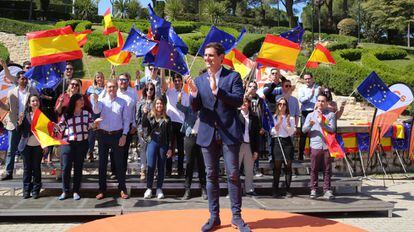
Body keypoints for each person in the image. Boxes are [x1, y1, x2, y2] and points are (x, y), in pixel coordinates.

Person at [185, 42, 250, 232]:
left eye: (211, 55)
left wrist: (217, 91)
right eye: (205, 56)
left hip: (229, 133)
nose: (207, 59)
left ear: (221, 57)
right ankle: (214, 217)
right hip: (207, 133)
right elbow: (195, 108)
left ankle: (237, 217)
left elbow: (238, 100)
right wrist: (194, 93)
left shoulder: (233, 76)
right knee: (211, 176)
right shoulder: (199, 79)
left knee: (233, 175)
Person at [92, 79, 131, 200]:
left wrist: (124, 135)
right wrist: (95, 101)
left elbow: (126, 120)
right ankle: (102, 190)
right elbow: (96, 110)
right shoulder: (102, 102)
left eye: (113, 87)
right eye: (109, 87)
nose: (111, 89)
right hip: (103, 135)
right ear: (106, 88)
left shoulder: (123, 102)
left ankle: (122, 189)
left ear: (116, 88)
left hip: (117, 135)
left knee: (119, 164)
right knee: (102, 164)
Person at [0, 69, 38, 181]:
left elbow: (37, 105)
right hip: (14, 123)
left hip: (27, 123)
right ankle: (8, 172)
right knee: (11, 149)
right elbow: (7, 108)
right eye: (22, 78)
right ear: (18, 79)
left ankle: (28, 172)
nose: (24, 80)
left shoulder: (31, 91)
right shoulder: (11, 92)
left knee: (26, 149)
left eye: (26, 78)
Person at [58, 94, 94, 201]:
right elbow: (61, 127)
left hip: (82, 143)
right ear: (74, 101)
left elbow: (90, 126)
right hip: (68, 143)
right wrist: (57, 126)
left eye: (83, 100)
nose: (82, 102)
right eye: (80, 100)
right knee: (66, 167)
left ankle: (76, 191)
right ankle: (65, 191)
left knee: (78, 167)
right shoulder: (67, 114)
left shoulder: (87, 114)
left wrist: (95, 125)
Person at [302, 93, 336, 200]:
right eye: (319, 101)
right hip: (315, 145)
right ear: (316, 102)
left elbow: (332, 129)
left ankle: (326, 189)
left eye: (323, 101)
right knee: (314, 168)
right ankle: (314, 189)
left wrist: (322, 124)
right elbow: (303, 130)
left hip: (327, 146)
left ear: (326, 103)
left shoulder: (331, 115)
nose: (320, 103)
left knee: (327, 169)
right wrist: (310, 125)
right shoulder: (310, 115)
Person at [176, 92, 207, 200]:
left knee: (201, 164)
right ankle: (187, 190)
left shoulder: (204, 111)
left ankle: (204, 189)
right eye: (193, 100)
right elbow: (178, 106)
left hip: (201, 139)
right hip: (190, 137)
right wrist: (179, 98)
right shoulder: (189, 109)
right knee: (189, 164)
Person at [142, 97, 173, 199]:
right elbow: (144, 127)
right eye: (157, 104)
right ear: (154, 105)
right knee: (151, 165)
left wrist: (169, 148)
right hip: (152, 143)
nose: (159, 105)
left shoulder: (167, 119)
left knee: (161, 167)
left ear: (163, 105)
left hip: (163, 144)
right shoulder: (150, 117)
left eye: (161, 104)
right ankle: (149, 188)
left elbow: (170, 136)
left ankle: (159, 188)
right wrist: (144, 114)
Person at [18, 94, 48, 199]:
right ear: (29, 104)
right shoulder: (24, 115)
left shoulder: (42, 115)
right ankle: (26, 191)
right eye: (33, 101)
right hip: (26, 145)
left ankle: (36, 190)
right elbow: (19, 131)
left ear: (39, 103)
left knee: (36, 168)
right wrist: (20, 123)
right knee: (27, 169)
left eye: (36, 101)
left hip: (38, 146)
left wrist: (45, 146)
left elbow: (45, 132)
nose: (35, 103)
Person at [271, 97, 296, 198]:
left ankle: (288, 189)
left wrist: (286, 124)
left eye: (284, 104)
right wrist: (279, 122)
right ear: (277, 106)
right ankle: (275, 189)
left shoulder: (291, 118)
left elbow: (291, 132)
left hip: (287, 142)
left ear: (286, 106)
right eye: (280, 104)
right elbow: (272, 132)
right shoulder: (274, 117)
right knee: (277, 167)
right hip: (277, 141)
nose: (282, 106)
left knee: (288, 166)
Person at [165, 73, 187, 177]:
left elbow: (187, 111)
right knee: (169, 147)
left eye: (179, 81)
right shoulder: (169, 92)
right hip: (170, 123)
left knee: (181, 148)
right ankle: (168, 170)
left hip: (181, 123)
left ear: (182, 82)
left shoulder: (186, 95)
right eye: (175, 81)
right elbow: (163, 87)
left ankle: (180, 170)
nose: (177, 82)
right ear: (173, 82)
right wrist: (162, 70)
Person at [116, 73, 138, 174]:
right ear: (118, 81)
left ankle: (122, 172)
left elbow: (135, 110)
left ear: (128, 81)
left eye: (125, 80)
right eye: (121, 80)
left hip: (128, 125)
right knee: (114, 150)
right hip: (115, 125)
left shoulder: (133, 92)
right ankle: (114, 171)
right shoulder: (114, 91)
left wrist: (134, 124)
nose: (123, 82)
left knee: (125, 150)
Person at [238, 98, 260, 196]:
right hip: (238, 146)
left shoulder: (254, 117)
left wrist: (256, 150)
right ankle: (234, 190)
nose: (244, 104)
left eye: (246, 102)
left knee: (249, 169)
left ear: (249, 104)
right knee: (235, 169)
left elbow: (256, 135)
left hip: (249, 145)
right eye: (242, 102)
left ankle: (249, 189)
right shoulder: (236, 115)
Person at [136, 83, 156, 180]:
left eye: (151, 89)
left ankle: (152, 170)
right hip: (143, 130)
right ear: (144, 90)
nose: (149, 91)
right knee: (143, 150)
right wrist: (140, 130)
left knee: (152, 150)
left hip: (153, 131)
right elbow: (137, 118)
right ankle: (143, 170)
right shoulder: (140, 102)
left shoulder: (156, 102)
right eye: (147, 89)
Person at [298, 73, 320, 160]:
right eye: (305, 79)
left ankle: (313, 154)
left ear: (312, 78)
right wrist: (310, 96)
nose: (307, 80)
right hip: (305, 113)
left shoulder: (318, 88)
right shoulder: (302, 89)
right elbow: (301, 100)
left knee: (314, 133)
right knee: (303, 133)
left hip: (314, 112)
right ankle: (300, 155)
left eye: (309, 78)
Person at [85, 72, 106, 162]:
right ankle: (90, 152)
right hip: (93, 114)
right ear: (95, 78)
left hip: (103, 113)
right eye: (98, 77)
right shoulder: (90, 89)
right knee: (92, 135)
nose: (99, 79)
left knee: (102, 134)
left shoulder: (105, 89)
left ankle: (102, 154)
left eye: (101, 77)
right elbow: (85, 99)